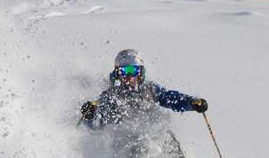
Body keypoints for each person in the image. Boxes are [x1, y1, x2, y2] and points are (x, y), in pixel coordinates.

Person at [80, 49, 208, 129]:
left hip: (156, 133)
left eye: (133, 71)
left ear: (140, 73)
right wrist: (90, 114)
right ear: (117, 74)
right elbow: (99, 122)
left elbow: (170, 98)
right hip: (126, 141)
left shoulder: (150, 89)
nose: (129, 76)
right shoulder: (111, 95)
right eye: (124, 71)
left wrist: (191, 103)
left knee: (170, 144)